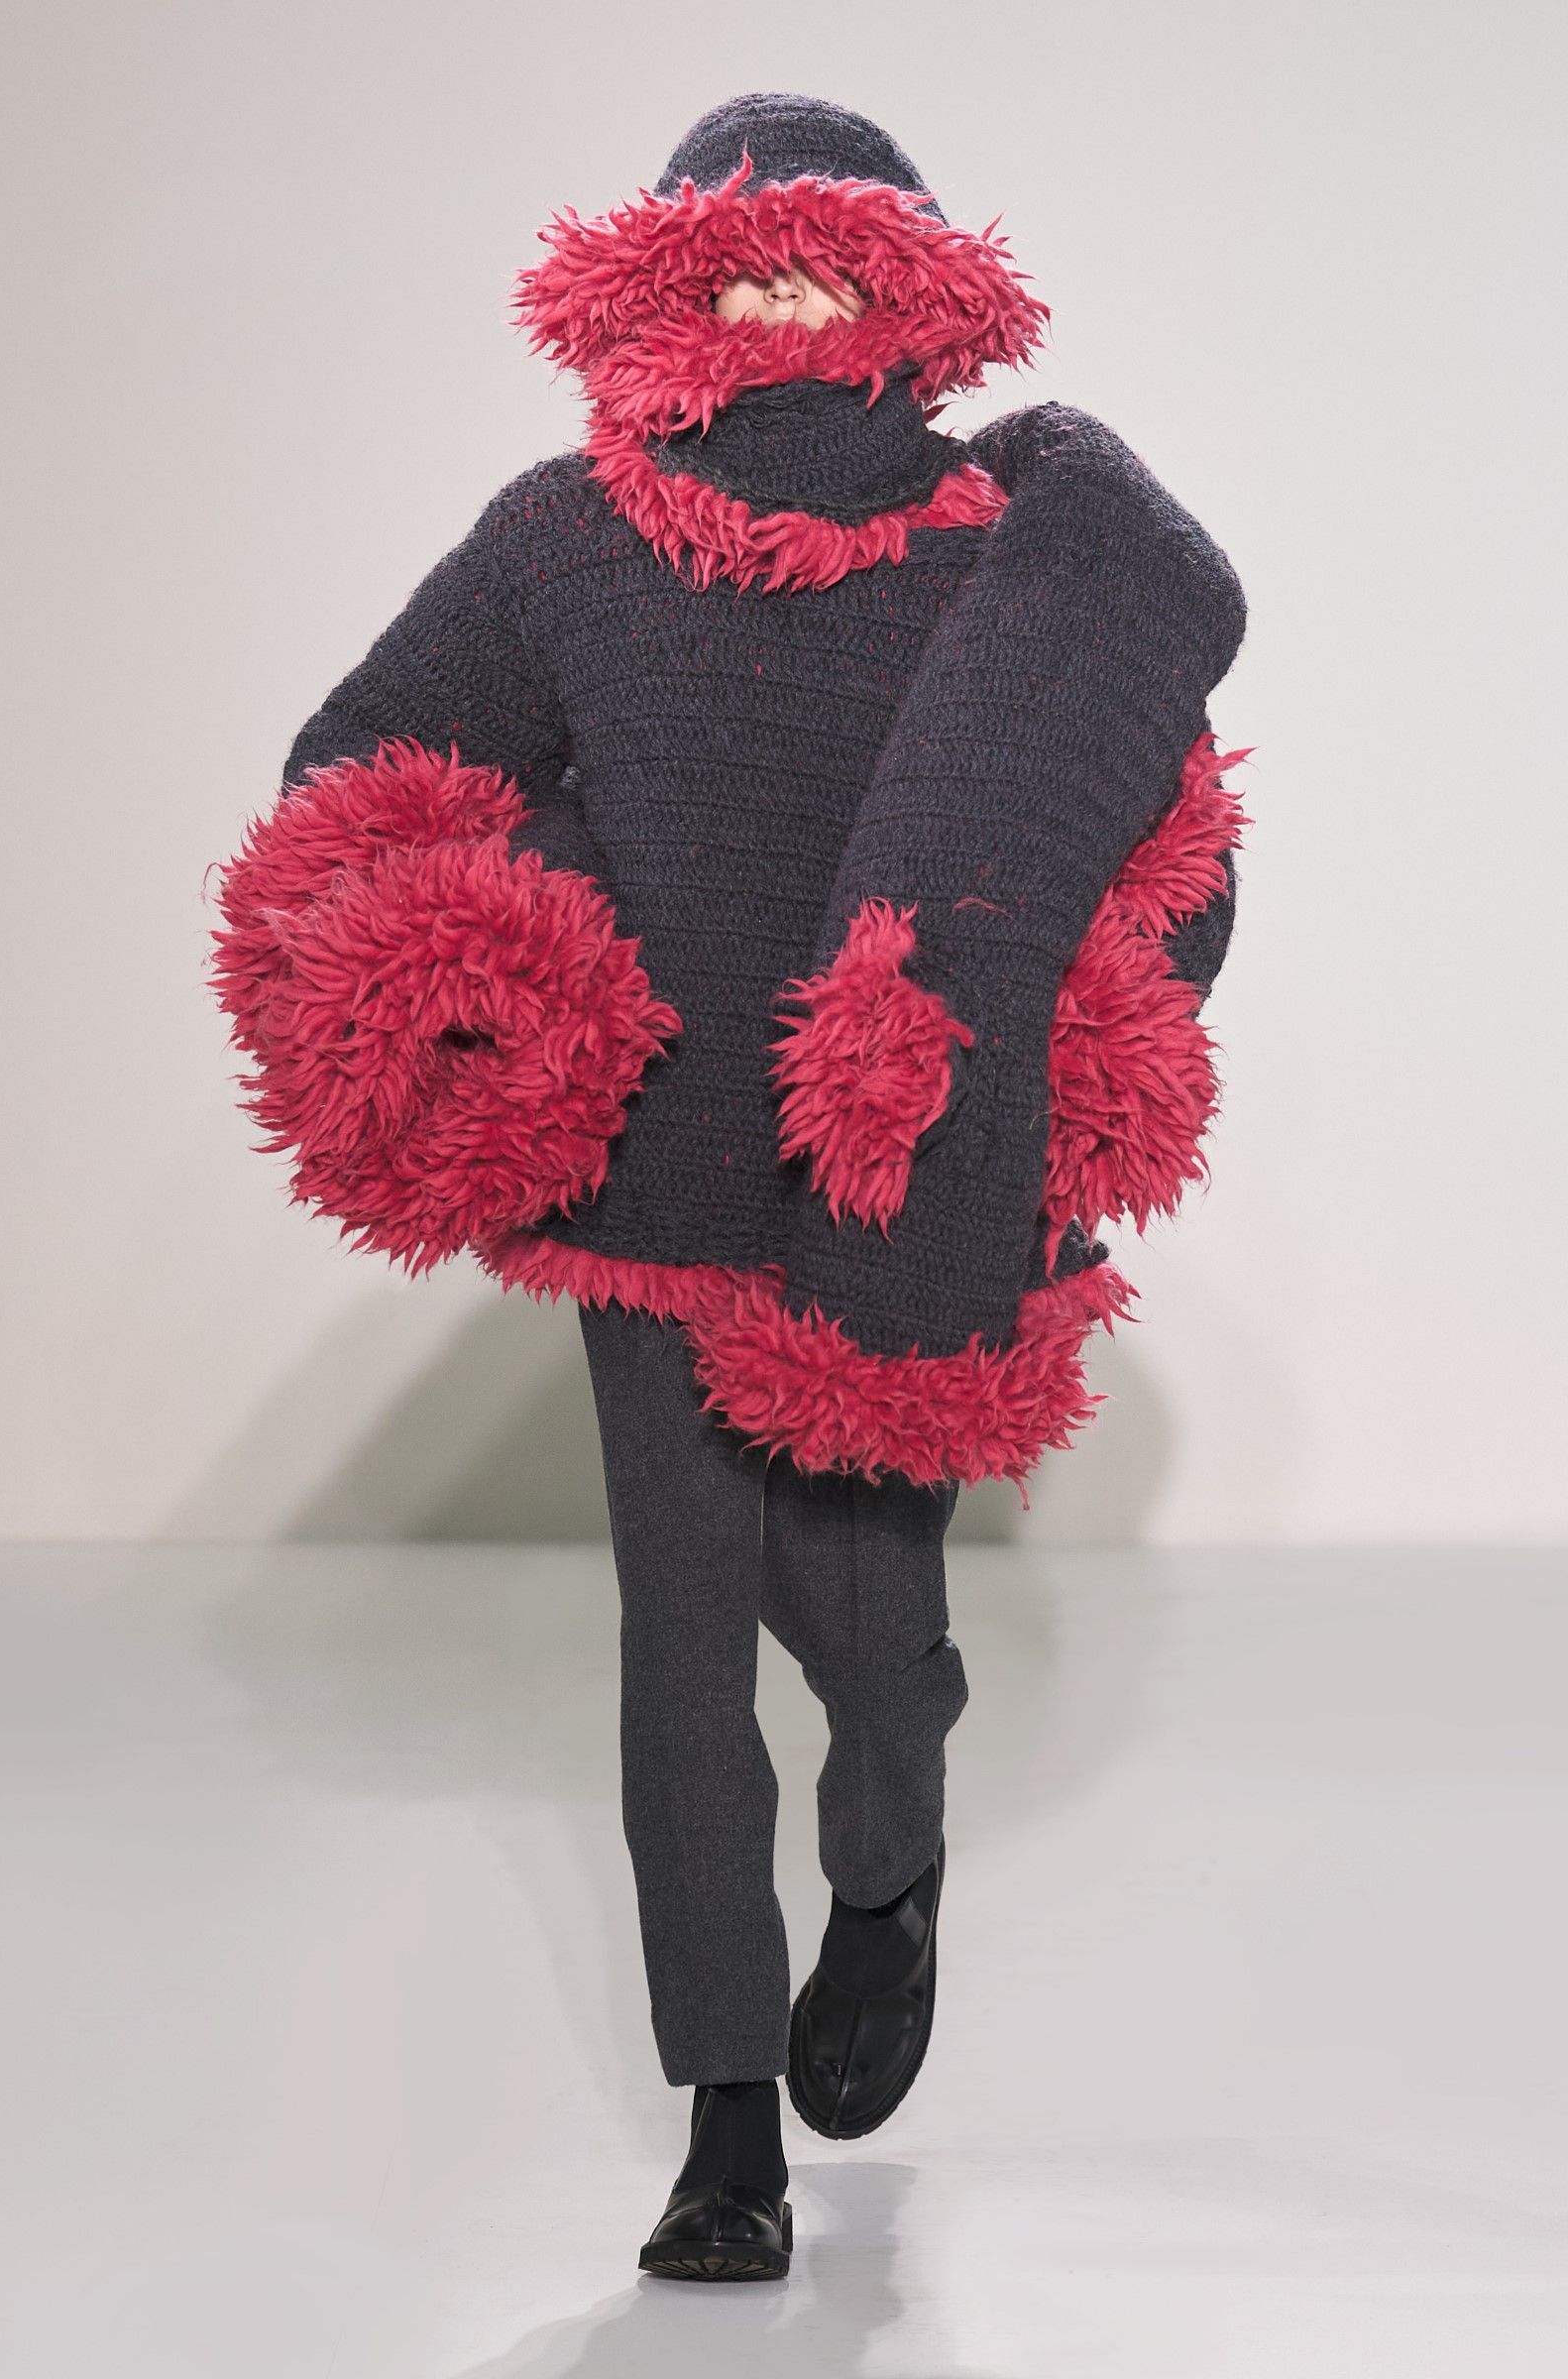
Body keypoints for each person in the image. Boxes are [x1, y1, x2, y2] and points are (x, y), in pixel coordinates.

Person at [209, 91, 1251, 2283]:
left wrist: (1067, 1029)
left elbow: (1168, 847)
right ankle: (723, 2129)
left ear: (907, 281)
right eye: (734, 253)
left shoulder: (1003, 556)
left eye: (827, 253)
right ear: (659, 280)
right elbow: (366, 776)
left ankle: (890, 1856)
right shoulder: (563, 540)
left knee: (863, 1637)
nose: (779, 289)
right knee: (679, 1656)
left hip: (893, 1177)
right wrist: (519, 955)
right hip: (650, 1172)